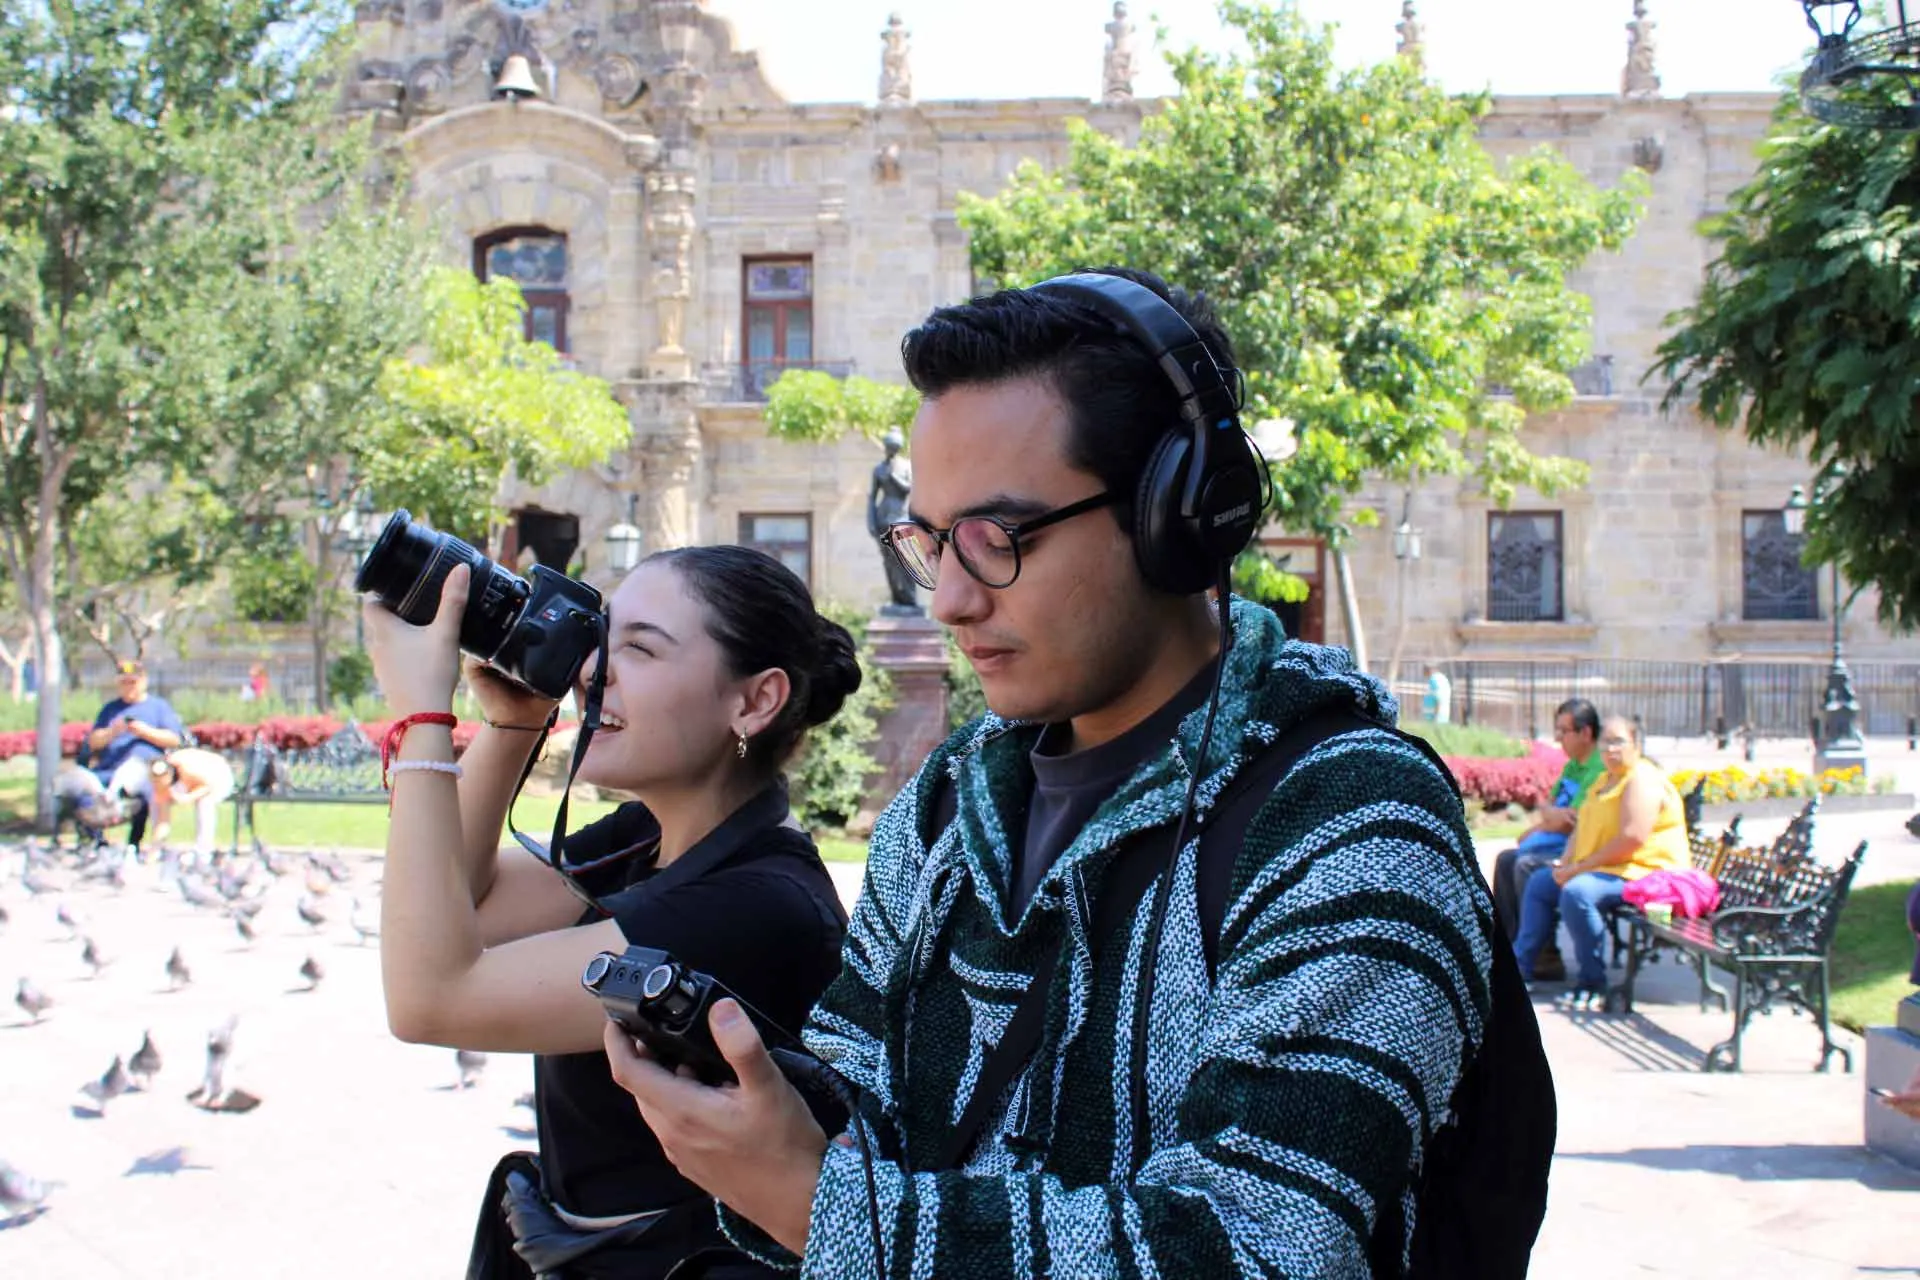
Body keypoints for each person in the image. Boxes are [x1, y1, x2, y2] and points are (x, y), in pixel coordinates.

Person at [604, 269, 1514, 1274]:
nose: (948, 597)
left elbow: (1264, 1247)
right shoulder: (948, 805)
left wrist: (817, 1199)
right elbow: (866, 1090)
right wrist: (774, 1115)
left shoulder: (1349, 820)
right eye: (927, 541)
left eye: (996, 539)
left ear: (1176, 516)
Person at [363, 544, 860, 1279]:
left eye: (642, 649)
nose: (594, 671)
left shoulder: (758, 908)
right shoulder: (653, 834)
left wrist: (424, 719)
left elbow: (429, 998)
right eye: (600, 640)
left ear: (754, 701)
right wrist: (513, 723)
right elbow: (460, 904)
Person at [1512, 714, 1690, 1007]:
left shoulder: (1641, 780)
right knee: (1542, 882)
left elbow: (1631, 839)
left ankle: (1593, 981)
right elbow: (1581, 828)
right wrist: (1565, 865)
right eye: (1606, 741)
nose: (1611, 748)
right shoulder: (1603, 780)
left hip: (1645, 873)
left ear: (1637, 744)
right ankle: (1519, 970)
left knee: (1578, 892)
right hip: (1609, 869)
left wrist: (1579, 870)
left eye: (1619, 741)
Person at [1491, 697, 1605, 981]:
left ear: (1585, 733)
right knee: (1506, 860)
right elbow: (1549, 809)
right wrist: (1553, 815)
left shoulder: (1597, 769)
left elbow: (1572, 823)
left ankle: (1545, 954)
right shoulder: (1572, 767)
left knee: (1526, 865)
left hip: (1577, 851)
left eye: (1563, 731)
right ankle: (1507, 948)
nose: (1558, 739)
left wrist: (1551, 816)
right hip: (1555, 840)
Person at [85, 660, 186, 857]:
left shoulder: (158, 707)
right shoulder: (110, 709)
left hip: (147, 769)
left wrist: (144, 731)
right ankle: (96, 841)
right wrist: (114, 731)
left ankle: (135, 842)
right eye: (124, 682)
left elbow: (174, 739)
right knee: (83, 789)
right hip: (110, 768)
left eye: (133, 682)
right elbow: (94, 742)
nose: (129, 687)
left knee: (143, 787)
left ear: (143, 682)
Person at [149, 746, 237, 866]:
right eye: (157, 780)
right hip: (191, 783)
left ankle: (203, 851)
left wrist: (188, 797)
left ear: (169, 772)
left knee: (205, 801)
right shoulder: (160, 782)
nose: (159, 782)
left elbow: (207, 786)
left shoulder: (186, 768)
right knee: (155, 804)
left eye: (163, 778)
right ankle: (158, 849)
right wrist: (155, 844)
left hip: (218, 775)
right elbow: (163, 820)